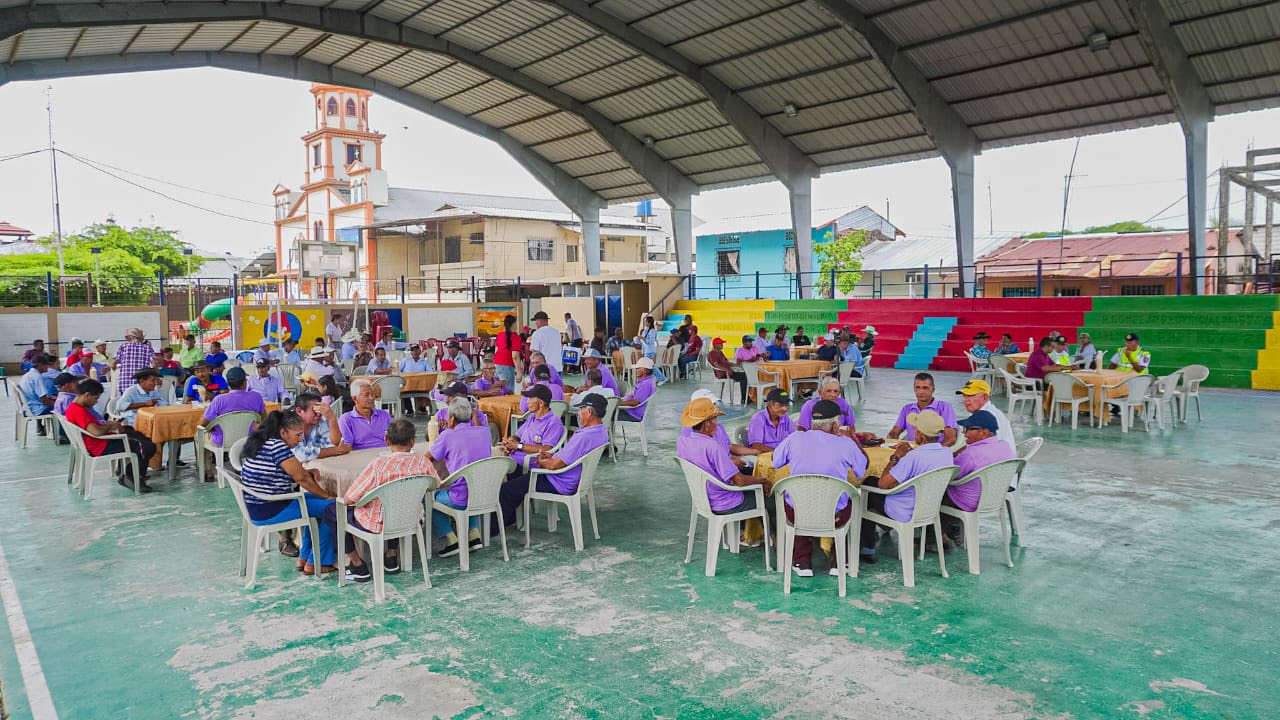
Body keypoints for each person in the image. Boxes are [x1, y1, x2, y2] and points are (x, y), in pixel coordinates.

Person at [773, 399, 869, 576]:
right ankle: (838, 561)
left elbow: (776, 461)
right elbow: (861, 470)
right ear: (835, 425)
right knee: (850, 500)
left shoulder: (794, 438)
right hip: (834, 516)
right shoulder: (845, 443)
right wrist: (854, 440)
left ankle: (802, 561)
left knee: (797, 500)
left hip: (798, 514)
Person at [334, 418, 434, 582]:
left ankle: (357, 564)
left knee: (334, 511)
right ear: (413, 441)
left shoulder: (378, 465)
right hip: (411, 518)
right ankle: (391, 555)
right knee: (397, 502)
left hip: (377, 524)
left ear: (386, 440)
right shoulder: (423, 462)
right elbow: (435, 484)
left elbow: (349, 499)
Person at [496, 393, 611, 534]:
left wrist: (542, 461)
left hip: (558, 480)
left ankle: (495, 527)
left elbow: (553, 466)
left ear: (589, 411)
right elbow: (568, 456)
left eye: (581, 409)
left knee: (507, 489)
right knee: (518, 481)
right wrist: (551, 455)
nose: (579, 414)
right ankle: (509, 518)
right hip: (571, 478)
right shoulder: (601, 432)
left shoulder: (584, 436)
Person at [239, 410, 338, 575]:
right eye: (297, 435)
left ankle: (305, 558)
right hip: (271, 508)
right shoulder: (277, 446)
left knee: (319, 504)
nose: (299, 440)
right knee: (333, 508)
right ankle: (317, 563)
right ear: (283, 432)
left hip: (257, 505)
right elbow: (301, 478)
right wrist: (327, 496)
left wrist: (306, 473)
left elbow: (282, 472)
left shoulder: (262, 441)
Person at [861, 409, 955, 562]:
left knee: (868, 485)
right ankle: (878, 532)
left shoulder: (913, 457)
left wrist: (896, 456)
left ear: (920, 435)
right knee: (872, 485)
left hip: (903, 510)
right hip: (929, 508)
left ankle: (867, 548)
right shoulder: (946, 453)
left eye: (916, 430)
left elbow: (883, 484)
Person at [676, 396, 774, 523]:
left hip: (704, 498)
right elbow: (740, 481)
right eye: (715, 419)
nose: (717, 424)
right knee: (772, 497)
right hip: (726, 502)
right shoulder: (713, 447)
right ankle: (773, 534)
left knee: (755, 484)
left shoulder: (682, 442)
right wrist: (763, 481)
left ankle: (746, 532)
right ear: (707, 423)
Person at [64, 379, 156, 492]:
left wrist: (110, 425)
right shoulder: (79, 411)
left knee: (135, 433)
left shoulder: (76, 407)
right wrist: (110, 426)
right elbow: (96, 432)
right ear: (87, 395)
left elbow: (95, 426)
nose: (96, 402)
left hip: (99, 441)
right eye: (95, 398)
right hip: (101, 445)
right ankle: (132, 477)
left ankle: (126, 471)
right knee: (146, 446)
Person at [426, 397, 493, 555]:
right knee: (470, 485)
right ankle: (473, 535)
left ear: (451, 418)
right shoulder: (485, 432)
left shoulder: (448, 435)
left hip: (459, 499)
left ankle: (451, 539)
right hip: (484, 495)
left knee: (431, 497)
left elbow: (428, 458)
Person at [945, 410, 1016, 542]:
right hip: (994, 497)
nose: (964, 432)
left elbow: (949, 474)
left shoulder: (971, 454)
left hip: (968, 501)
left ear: (983, 432)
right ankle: (954, 530)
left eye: (968, 429)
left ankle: (935, 539)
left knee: (933, 492)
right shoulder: (1004, 446)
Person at [196, 366, 266, 480]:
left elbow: (201, 424)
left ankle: (207, 471)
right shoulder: (256, 397)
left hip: (222, 441)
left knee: (200, 434)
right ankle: (240, 464)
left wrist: (212, 427)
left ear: (228, 384)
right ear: (244, 382)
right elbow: (264, 418)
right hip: (247, 439)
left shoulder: (219, 400)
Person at [504, 383, 565, 468]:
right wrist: (510, 442)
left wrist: (518, 446)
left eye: (530, 398)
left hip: (527, 463)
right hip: (514, 458)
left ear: (541, 403)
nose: (527, 402)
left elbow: (547, 449)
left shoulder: (553, 422)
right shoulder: (532, 418)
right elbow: (517, 436)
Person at [888, 373, 958, 446]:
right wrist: (891, 444)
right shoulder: (907, 409)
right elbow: (894, 433)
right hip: (911, 450)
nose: (921, 392)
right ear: (914, 389)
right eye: (918, 387)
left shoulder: (944, 407)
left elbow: (950, 438)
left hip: (934, 450)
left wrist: (933, 450)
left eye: (925, 388)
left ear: (933, 389)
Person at [955, 379, 1015, 453]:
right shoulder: (979, 412)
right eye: (964, 396)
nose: (965, 400)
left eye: (970, 395)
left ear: (985, 397)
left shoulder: (988, 416)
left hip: (996, 457)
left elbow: (992, 447)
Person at [339, 379, 392, 450]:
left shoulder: (384, 415)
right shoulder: (346, 419)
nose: (371, 398)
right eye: (366, 395)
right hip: (361, 454)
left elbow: (394, 438)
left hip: (384, 452)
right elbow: (347, 444)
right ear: (355, 398)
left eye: (372, 394)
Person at [18, 355, 57, 430]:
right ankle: (61, 433)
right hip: (37, 409)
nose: (48, 367)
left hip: (29, 406)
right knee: (63, 407)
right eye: (46, 365)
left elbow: (37, 394)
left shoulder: (27, 375)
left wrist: (51, 398)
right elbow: (44, 400)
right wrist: (55, 404)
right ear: (40, 365)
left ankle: (40, 428)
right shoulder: (37, 377)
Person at [112, 328, 156, 393]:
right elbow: (154, 365)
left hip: (125, 384)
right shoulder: (148, 348)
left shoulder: (123, 346)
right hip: (142, 384)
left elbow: (113, 365)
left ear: (131, 337)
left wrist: (115, 370)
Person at [618, 357, 657, 421]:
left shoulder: (645, 384)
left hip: (633, 414)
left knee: (607, 415)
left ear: (644, 370)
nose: (636, 370)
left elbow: (635, 402)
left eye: (638, 368)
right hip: (632, 411)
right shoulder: (648, 380)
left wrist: (618, 403)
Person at [529, 311, 564, 376]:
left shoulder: (537, 333)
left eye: (536, 322)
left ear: (541, 321)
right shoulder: (557, 332)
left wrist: (531, 367)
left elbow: (535, 352)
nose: (536, 324)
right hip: (558, 367)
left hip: (543, 369)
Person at [494, 314, 526, 387]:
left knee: (498, 389)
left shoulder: (500, 335)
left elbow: (496, 350)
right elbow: (515, 356)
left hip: (497, 365)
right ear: (514, 324)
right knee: (508, 390)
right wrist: (519, 372)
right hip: (507, 366)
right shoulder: (515, 337)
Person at [637, 314, 666, 384]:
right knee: (649, 366)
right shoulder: (646, 330)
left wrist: (643, 339)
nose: (645, 323)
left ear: (649, 323)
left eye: (646, 322)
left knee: (650, 366)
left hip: (650, 351)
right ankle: (653, 379)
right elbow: (643, 341)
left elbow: (650, 342)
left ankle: (662, 378)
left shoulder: (652, 331)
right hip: (646, 351)